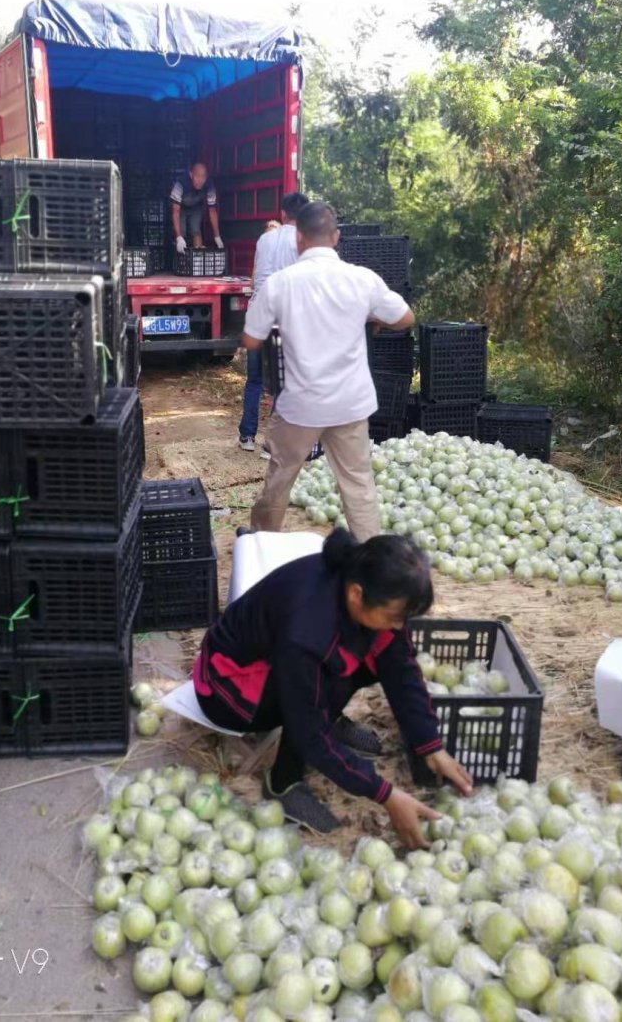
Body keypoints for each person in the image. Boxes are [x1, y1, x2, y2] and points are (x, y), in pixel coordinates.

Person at [193, 528, 473, 841]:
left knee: (375, 655)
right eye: (395, 616)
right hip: (227, 687)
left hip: (281, 663)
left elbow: (401, 667)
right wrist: (385, 794)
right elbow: (308, 731)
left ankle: (329, 717)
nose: (399, 626)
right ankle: (282, 784)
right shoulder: (308, 631)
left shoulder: (361, 580)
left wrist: (429, 744)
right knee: (323, 692)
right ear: (357, 594)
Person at [243, 201, 414, 542]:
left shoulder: (280, 284)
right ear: (336, 237)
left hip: (300, 406)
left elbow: (250, 340)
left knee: (280, 476)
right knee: (358, 484)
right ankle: (371, 556)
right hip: (350, 404)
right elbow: (405, 317)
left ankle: (263, 541)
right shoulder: (361, 279)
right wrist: (370, 316)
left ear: (298, 239)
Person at [238, 192, 309, 454]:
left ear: (282, 214)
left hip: (258, 314)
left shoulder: (264, 239)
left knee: (254, 380)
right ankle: (272, 445)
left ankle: (247, 437)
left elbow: (258, 274)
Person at [170, 163, 224, 253]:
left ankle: (197, 260)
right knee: (181, 232)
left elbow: (212, 211)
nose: (200, 180)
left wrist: (217, 236)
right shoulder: (180, 184)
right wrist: (178, 237)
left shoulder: (209, 186)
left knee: (196, 230)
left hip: (196, 206)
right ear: (191, 175)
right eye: (197, 176)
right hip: (180, 207)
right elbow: (175, 211)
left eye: (203, 177)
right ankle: (180, 259)